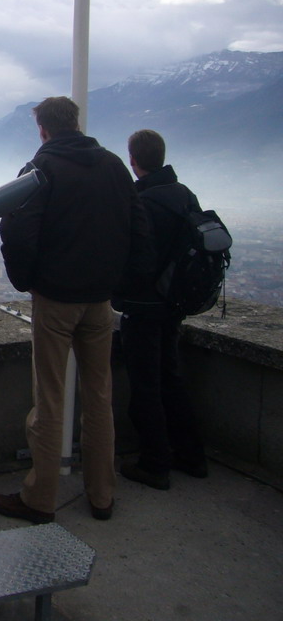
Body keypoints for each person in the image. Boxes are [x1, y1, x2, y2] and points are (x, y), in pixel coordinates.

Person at [0, 96, 151, 524]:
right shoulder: (115, 166)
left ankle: (40, 498)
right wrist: (118, 283)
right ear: (76, 123)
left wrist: (29, 281)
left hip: (56, 300)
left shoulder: (40, 170)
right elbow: (139, 228)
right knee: (99, 396)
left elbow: (17, 228)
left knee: (50, 397)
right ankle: (102, 494)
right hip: (100, 302)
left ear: (43, 129)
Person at [113, 129, 208, 489]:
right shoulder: (184, 195)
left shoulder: (144, 202)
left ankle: (155, 462)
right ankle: (191, 455)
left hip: (144, 306)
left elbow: (136, 258)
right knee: (171, 377)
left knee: (146, 385)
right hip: (174, 303)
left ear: (133, 160)